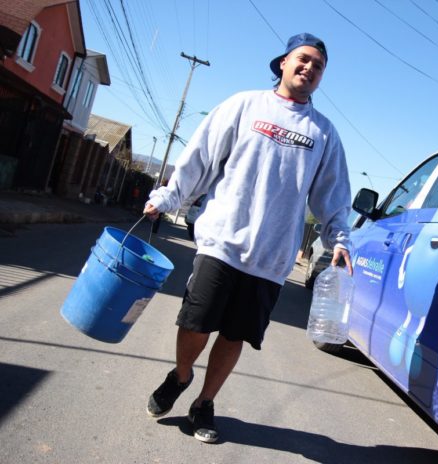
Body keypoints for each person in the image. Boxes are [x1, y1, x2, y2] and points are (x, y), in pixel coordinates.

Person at [143, 32, 353, 443]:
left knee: (235, 334)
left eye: (319, 65)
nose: (310, 68)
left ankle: (203, 404)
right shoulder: (244, 105)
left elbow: (332, 195)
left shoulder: (324, 133)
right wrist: (168, 197)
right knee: (195, 323)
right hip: (222, 239)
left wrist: (339, 238)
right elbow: (200, 156)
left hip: (271, 258)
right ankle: (181, 375)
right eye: (303, 59)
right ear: (283, 63)